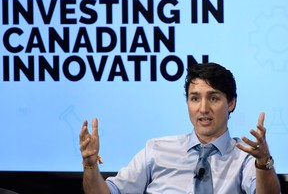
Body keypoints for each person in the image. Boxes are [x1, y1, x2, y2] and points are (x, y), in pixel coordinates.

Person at [79, 62, 281, 194]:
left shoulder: (244, 158)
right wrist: (90, 165)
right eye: (195, 98)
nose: (203, 108)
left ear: (231, 103)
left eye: (213, 98)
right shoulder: (156, 150)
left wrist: (263, 162)